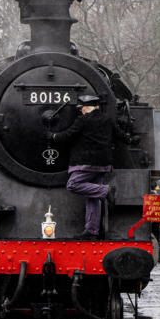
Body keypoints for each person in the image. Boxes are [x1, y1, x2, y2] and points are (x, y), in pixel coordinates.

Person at [51, 93, 123, 239]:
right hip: (103, 164)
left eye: (81, 108)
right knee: (92, 196)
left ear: (85, 108)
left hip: (86, 163)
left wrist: (53, 136)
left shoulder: (83, 120)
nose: (81, 111)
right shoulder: (107, 120)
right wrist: (130, 139)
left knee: (73, 184)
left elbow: (68, 135)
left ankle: (106, 190)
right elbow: (120, 135)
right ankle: (91, 230)